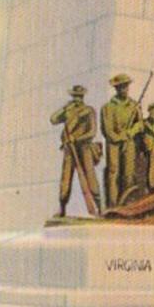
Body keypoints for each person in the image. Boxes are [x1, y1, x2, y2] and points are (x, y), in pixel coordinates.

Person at [50, 85, 101, 217]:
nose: (77, 99)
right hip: (69, 149)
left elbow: (92, 132)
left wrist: (76, 138)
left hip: (84, 148)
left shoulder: (89, 111)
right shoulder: (69, 110)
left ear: (83, 97)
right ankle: (62, 208)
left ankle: (99, 207)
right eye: (75, 97)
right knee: (66, 178)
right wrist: (65, 108)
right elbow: (53, 119)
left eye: (79, 96)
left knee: (90, 176)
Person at [100, 73, 144, 207]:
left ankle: (128, 205)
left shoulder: (134, 105)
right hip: (113, 145)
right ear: (116, 89)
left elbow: (140, 124)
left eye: (126, 87)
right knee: (113, 173)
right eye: (121, 87)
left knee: (129, 173)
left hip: (130, 143)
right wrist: (122, 137)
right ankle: (113, 205)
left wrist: (131, 132)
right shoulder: (107, 108)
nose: (124, 90)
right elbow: (108, 131)